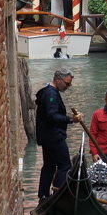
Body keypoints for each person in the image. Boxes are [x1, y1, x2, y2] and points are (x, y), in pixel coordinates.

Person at [36, 68, 79, 200]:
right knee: (65, 165)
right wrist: (71, 119)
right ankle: (59, 194)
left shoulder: (49, 91)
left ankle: (43, 195)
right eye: (66, 83)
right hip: (54, 137)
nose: (68, 86)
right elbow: (52, 116)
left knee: (49, 166)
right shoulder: (51, 94)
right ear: (58, 80)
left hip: (47, 137)